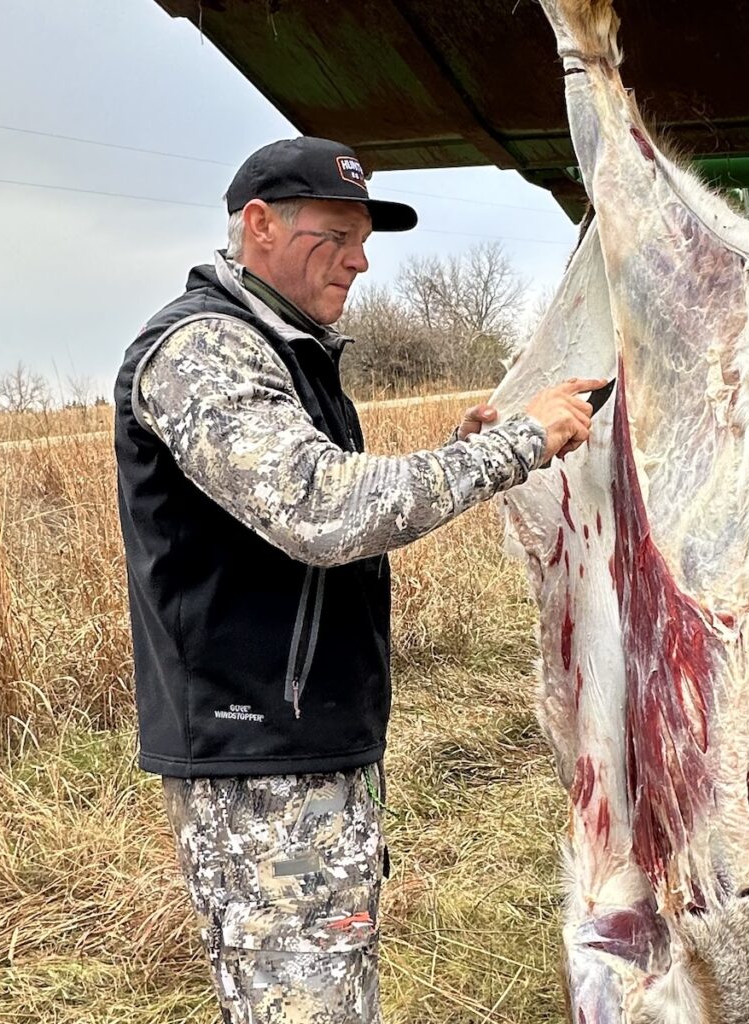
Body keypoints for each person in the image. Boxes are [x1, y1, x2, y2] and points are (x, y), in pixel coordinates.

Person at [113, 136, 602, 1023]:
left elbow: (312, 526)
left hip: (305, 749)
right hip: (260, 763)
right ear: (259, 226)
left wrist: (468, 453)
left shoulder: (289, 350)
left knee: (323, 989)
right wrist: (515, 444)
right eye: (335, 234)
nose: (361, 257)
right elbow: (322, 510)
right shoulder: (202, 351)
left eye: (363, 236)